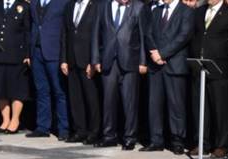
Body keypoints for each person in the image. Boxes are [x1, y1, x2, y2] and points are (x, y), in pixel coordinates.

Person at [94, 0, 149, 148]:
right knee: (108, 101)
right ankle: (109, 136)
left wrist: (143, 62)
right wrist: (95, 59)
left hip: (130, 61)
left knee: (129, 102)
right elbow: (96, 33)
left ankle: (130, 137)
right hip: (108, 61)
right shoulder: (102, 6)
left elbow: (144, 36)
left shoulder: (139, 7)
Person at [188, 0, 228, 157]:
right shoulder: (199, 11)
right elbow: (196, 35)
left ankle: (221, 144)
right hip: (199, 67)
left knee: (220, 109)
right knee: (200, 108)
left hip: (220, 69)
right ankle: (202, 143)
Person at [142, 0, 192, 153]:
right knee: (154, 104)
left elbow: (184, 36)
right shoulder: (157, 10)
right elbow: (148, 33)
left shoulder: (186, 11)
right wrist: (154, 53)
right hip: (156, 66)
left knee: (176, 105)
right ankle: (156, 140)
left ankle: (177, 141)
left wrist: (163, 54)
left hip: (174, 65)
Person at [62, 0, 103, 144]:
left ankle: (94, 132)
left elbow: (99, 35)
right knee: (75, 99)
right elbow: (65, 33)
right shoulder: (70, 5)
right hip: (72, 59)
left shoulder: (97, 5)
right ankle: (80, 130)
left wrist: (93, 61)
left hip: (87, 61)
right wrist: (64, 59)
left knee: (91, 98)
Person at [27, 0, 69, 138]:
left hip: (54, 51)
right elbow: (32, 26)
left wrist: (64, 56)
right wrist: (29, 52)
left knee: (59, 91)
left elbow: (65, 29)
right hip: (36, 51)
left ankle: (63, 128)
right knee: (41, 91)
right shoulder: (34, 2)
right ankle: (43, 127)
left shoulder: (63, 2)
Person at [0, 0, 33, 133]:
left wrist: (27, 54)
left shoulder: (24, 6)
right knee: (0, 89)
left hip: (16, 55)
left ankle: (15, 120)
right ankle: (5, 120)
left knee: (17, 90)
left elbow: (27, 32)